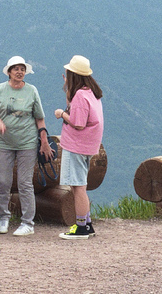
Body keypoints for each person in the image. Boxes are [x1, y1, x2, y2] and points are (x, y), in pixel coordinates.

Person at [0, 56, 53, 236]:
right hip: (4, 143)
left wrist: (44, 141)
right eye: (15, 69)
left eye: (22, 69)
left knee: (25, 183)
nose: (19, 72)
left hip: (27, 143)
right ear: (9, 71)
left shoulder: (32, 91)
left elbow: (39, 118)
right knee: (2, 182)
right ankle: (3, 217)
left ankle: (27, 223)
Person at [54, 55, 104, 240]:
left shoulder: (80, 96)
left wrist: (61, 114)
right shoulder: (90, 93)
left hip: (76, 145)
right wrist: (68, 89)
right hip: (87, 146)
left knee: (78, 186)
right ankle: (87, 223)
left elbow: (78, 122)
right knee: (78, 185)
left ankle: (82, 226)